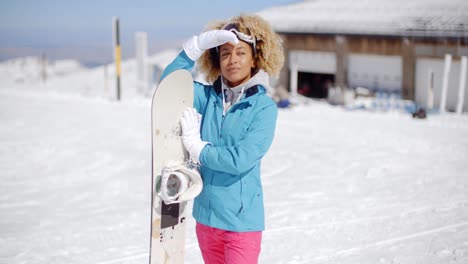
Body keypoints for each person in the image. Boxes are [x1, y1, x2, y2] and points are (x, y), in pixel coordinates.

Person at [160, 14, 284, 264]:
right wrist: (194, 47)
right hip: (206, 221)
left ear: (254, 58)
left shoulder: (263, 108)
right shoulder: (207, 98)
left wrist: (198, 149)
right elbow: (169, 85)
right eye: (225, 53)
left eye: (240, 52)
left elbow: (241, 158)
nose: (232, 60)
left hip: (241, 224)